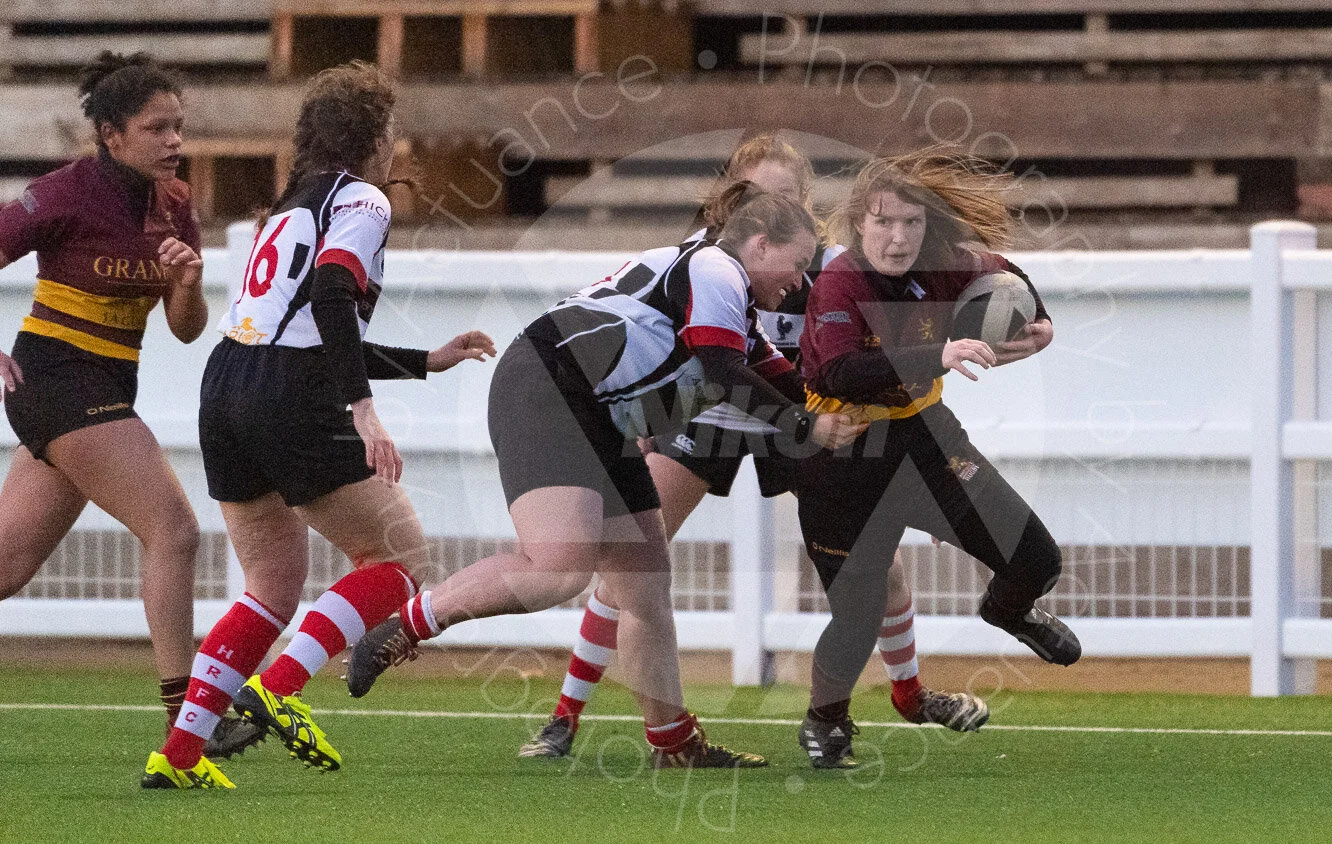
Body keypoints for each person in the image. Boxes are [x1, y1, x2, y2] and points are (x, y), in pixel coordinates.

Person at [346, 183, 864, 768]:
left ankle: (673, 741)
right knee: (558, 567)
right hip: (548, 387)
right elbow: (724, 370)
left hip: (594, 411)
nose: (799, 282)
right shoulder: (717, 267)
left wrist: (870, 391)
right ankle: (408, 624)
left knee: (644, 583)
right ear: (761, 242)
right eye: (796, 264)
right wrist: (806, 427)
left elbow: (788, 378)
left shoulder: (735, 301)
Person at [515, 134, 987, 760]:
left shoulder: (838, 269)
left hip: (798, 421)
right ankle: (564, 718)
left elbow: (881, 373)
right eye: (761, 199)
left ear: (808, 205)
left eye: (787, 199)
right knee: (626, 563)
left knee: (878, 565)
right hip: (704, 417)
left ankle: (910, 693)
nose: (773, 213)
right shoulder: (708, 262)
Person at [140, 61, 495, 789]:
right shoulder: (362, 199)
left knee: (272, 582)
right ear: (373, 136)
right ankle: (281, 690)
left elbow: (300, 326)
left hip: (229, 383)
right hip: (290, 397)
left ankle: (177, 757)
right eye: (390, 130)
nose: (394, 146)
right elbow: (333, 295)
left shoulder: (290, 205)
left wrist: (427, 359)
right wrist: (364, 409)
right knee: (398, 566)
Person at [0, 51, 258, 761]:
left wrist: (185, 283)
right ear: (111, 134)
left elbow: (184, 328)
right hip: (57, 381)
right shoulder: (64, 193)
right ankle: (187, 722)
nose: (175, 142)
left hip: (103, 390)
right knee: (173, 530)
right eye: (157, 128)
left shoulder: (174, 202)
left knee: (6, 568)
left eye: (179, 127)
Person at [793, 149, 1080, 769]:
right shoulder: (840, 283)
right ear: (856, 224)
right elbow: (841, 370)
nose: (897, 239)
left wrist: (1042, 319)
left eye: (912, 224)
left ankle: (1008, 609)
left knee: (1036, 558)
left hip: (924, 436)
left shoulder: (947, 265)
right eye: (883, 223)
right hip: (843, 451)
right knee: (858, 612)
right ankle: (826, 719)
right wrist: (938, 355)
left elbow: (1004, 273)